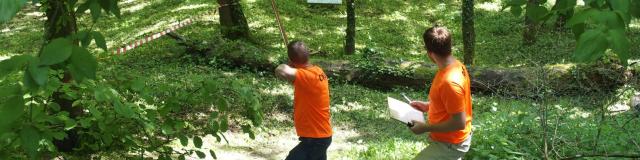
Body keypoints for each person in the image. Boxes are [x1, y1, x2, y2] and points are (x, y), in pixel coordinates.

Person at [408, 26, 473, 160]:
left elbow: (459, 122)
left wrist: (425, 127)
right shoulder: (455, 65)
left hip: (451, 143)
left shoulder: (450, 82)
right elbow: (453, 103)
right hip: (448, 140)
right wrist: (428, 106)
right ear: (449, 46)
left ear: (429, 53)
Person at [275, 41, 332, 160]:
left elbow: (279, 70)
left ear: (292, 60)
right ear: (308, 55)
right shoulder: (317, 71)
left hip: (315, 139)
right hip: (320, 137)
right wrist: (293, 64)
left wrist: (289, 64)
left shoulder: (306, 76)